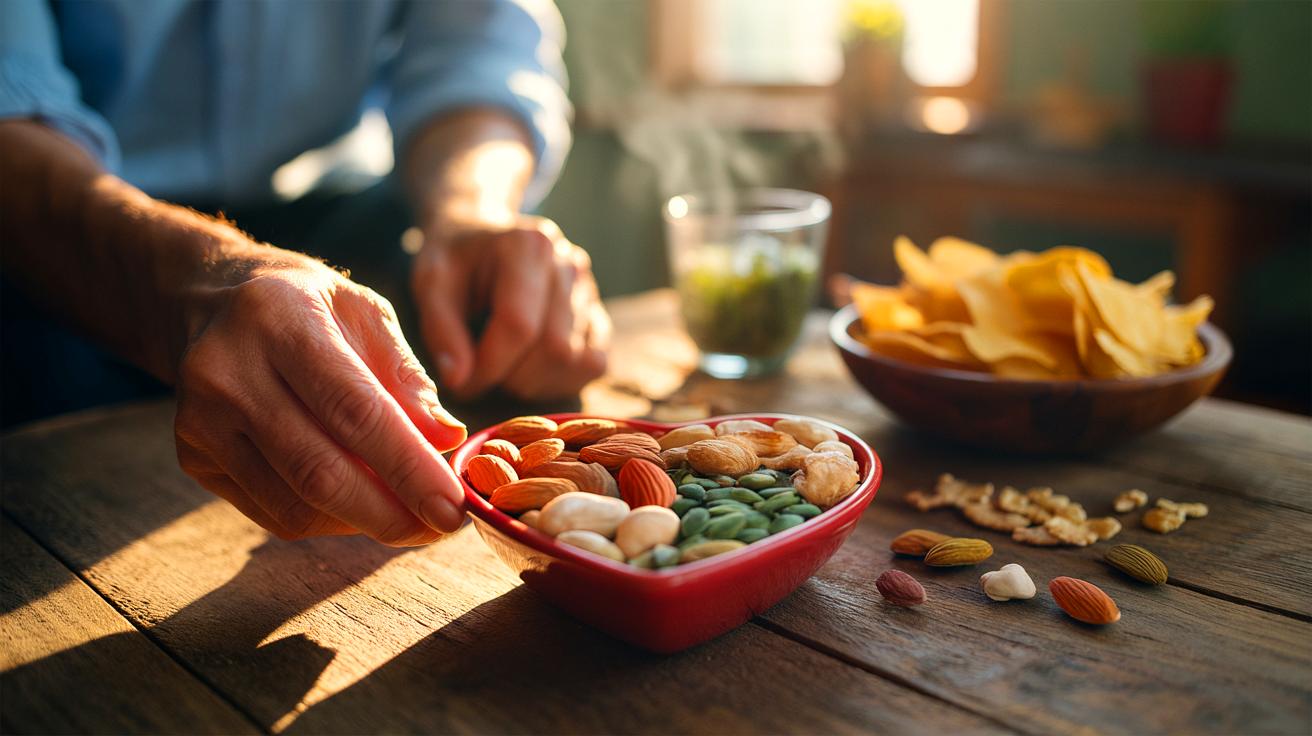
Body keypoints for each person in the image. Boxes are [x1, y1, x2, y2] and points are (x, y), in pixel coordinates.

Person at [0, 0, 609, 545]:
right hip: (67, 236)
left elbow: (480, 50)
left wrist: (470, 214)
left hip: (338, 230)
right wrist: (204, 280)